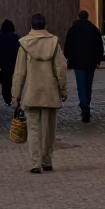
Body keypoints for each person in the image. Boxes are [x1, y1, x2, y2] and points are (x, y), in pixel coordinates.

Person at [12, 13, 68, 174]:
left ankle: (35, 162)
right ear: (45, 25)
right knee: (49, 129)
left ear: (31, 25)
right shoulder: (54, 43)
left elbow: (19, 73)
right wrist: (63, 89)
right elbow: (61, 68)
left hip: (31, 93)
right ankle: (47, 159)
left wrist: (15, 95)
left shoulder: (24, 44)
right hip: (50, 93)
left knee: (33, 129)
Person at [64, 9, 105, 122]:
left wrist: (67, 57)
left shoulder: (73, 30)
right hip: (90, 62)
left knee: (81, 85)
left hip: (77, 62)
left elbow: (68, 44)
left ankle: (84, 106)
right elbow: (99, 45)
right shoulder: (93, 29)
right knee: (88, 85)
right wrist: (98, 59)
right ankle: (87, 103)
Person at [0, 19, 20, 105]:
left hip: (2, 62)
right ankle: (13, 96)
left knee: (5, 80)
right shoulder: (16, 37)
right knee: (13, 80)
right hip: (14, 61)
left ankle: (7, 98)